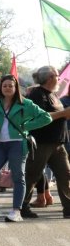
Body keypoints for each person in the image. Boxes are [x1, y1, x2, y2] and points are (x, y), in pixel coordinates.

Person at [0, 74, 52, 222]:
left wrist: (26, 126)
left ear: (16, 88)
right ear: (1, 88)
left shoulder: (26, 104)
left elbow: (46, 117)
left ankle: (16, 211)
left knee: (18, 177)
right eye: (5, 86)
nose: (8, 88)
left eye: (11, 85)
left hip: (17, 143)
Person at [20, 66, 70, 219]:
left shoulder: (53, 95)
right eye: (56, 75)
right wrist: (64, 113)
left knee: (65, 175)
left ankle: (68, 208)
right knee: (32, 176)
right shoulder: (37, 94)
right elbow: (40, 116)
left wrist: (64, 115)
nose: (59, 78)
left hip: (58, 143)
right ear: (49, 78)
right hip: (42, 143)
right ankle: (22, 207)